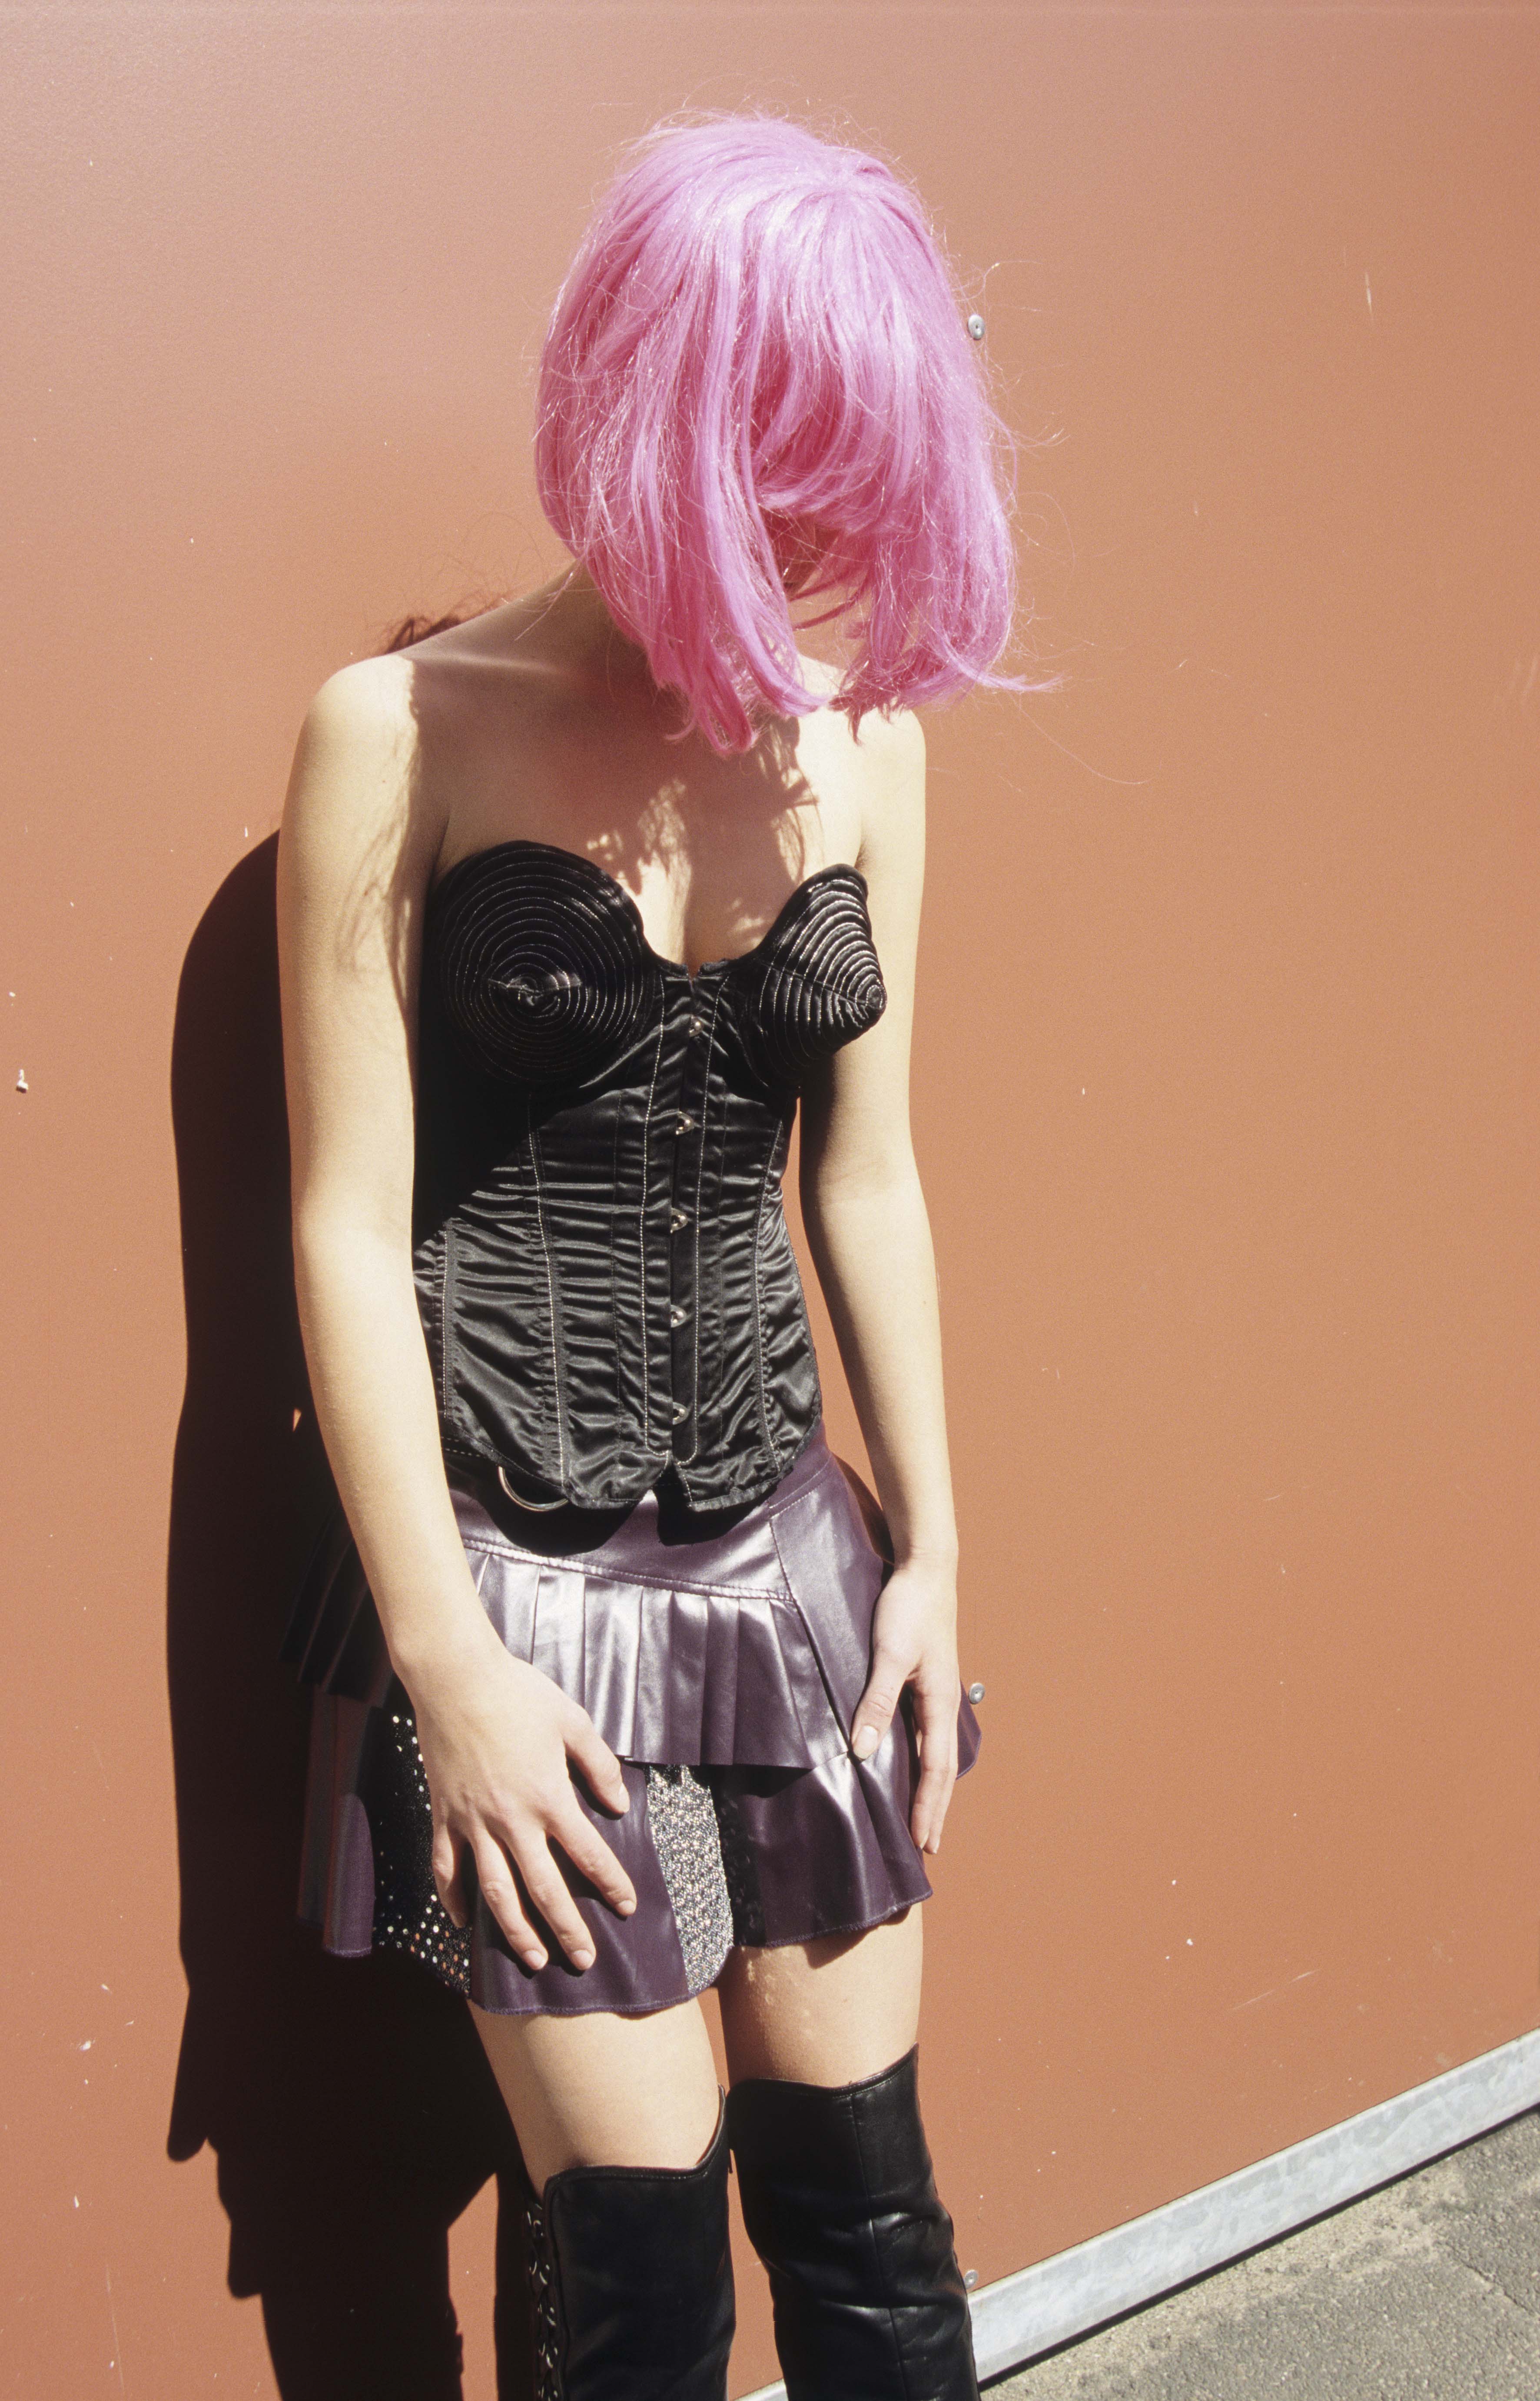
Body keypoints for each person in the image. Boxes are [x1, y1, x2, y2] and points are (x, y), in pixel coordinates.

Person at [277, 111, 1028, 2401]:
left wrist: (936, 1553)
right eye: (785, 483)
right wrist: (446, 1666)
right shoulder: (403, 734)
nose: (824, 548)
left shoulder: (862, 745)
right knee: (641, 2291)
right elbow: (342, 1229)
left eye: (860, 489)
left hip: (794, 1564)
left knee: (872, 2230)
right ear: (657, 414)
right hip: (515, 1584)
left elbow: (864, 1175)